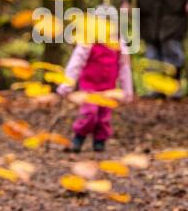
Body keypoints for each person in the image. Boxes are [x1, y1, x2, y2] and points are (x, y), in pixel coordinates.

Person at [55, 9, 135, 153]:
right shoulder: (88, 41)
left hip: (109, 88)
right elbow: (76, 64)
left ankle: (100, 141)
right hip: (89, 86)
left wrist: (127, 91)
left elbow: (125, 67)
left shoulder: (119, 43)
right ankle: (78, 137)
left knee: (104, 116)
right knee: (89, 112)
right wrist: (66, 84)